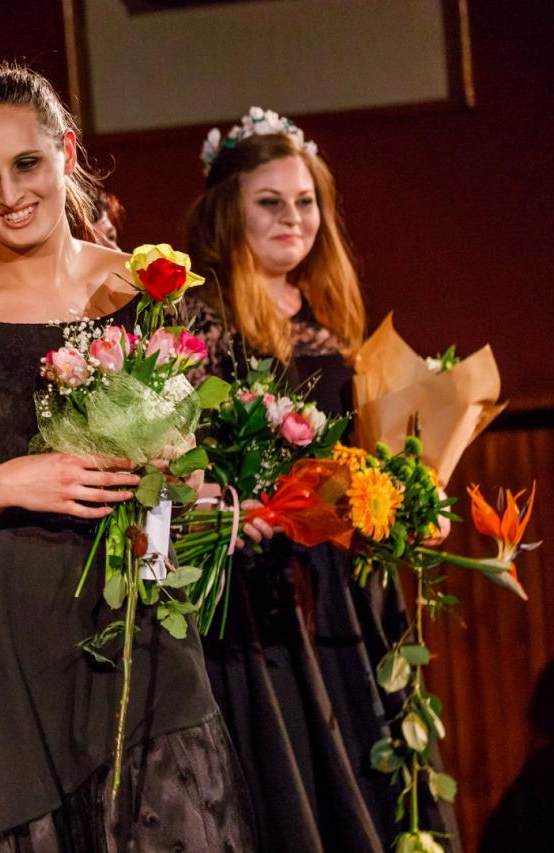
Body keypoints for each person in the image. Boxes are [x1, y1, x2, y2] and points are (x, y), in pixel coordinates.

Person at [0, 63, 251, 852]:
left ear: (66, 151)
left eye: (27, 164)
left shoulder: (145, 291)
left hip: (128, 646)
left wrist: (194, 498)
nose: (10, 194)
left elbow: (187, 475)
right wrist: (10, 482)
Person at [183, 107, 458, 851]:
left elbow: (362, 449)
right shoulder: (203, 321)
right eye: (269, 202)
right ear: (229, 210)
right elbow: (188, 456)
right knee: (298, 777)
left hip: (345, 583)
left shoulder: (328, 320)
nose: (292, 218)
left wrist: (409, 499)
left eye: (305, 202)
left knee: (372, 761)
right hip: (262, 588)